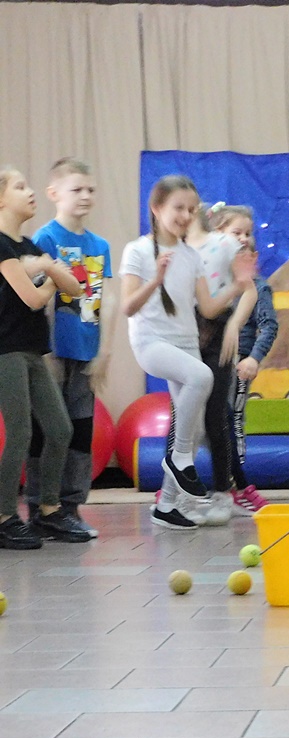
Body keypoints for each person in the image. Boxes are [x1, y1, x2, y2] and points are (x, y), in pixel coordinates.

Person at [119, 175, 255, 530]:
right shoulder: (137, 250)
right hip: (151, 343)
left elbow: (207, 308)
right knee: (202, 377)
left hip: (186, 344)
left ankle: (166, 506)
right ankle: (178, 459)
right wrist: (155, 280)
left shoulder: (191, 256)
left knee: (192, 428)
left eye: (191, 210)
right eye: (178, 208)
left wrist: (238, 286)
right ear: (156, 208)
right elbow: (127, 307)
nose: (185, 215)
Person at [0, 166, 94, 548]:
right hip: (6, 352)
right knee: (20, 433)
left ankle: (48, 511)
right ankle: (4, 516)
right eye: (20, 186)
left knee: (59, 429)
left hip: (34, 351)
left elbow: (76, 287)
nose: (30, 192)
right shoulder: (2, 246)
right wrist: (50, 273)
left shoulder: (30, 247)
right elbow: (33, 299)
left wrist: (47, 267)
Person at [28, 157, 116, 539]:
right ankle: (40, 506)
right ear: (54, 193)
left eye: (90, 189)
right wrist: (47, 352)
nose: (85, 196)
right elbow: (40, 300)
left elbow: (107, 300)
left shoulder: (100, 245)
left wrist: (104, 352)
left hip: (86, 350)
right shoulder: (46, 238)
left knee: (81, 430)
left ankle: (70, 506)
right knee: (46, 429)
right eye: (76, 189)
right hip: (54, 352)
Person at [211, 206, 278, 515]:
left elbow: (269, 325)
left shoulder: (258, 288)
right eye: (236, 232)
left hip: (238, 364)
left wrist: (253, 358)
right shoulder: (211, 280)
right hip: (212, 361)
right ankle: (182, 482)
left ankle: (237, 485)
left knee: (233, 419)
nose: (242, 238)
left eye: (247, 234)